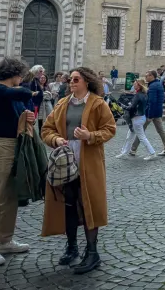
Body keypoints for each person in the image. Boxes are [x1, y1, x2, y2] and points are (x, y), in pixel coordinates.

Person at [41, 67, 117, 274]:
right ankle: (72, 246)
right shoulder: (62, 103)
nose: (71, 83)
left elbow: (110, 129)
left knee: (88, 204)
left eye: (76, 79)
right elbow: (46, 130)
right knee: (69, 204)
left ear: (86, 82)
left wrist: (90, 136)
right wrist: (56, 139)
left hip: (88, 162)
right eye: (70, 80)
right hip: (65, 162)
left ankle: (92, 252)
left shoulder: (98, 104)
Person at [0, 58, 35, 266]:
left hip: (15, 146)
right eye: (21, 75)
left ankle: (5, 240)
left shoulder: (13, 95)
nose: (22, 79)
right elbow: (22, 93)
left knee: (11, 197)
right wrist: (32, 90)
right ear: (14, 74)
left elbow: (18, 113)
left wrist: (27, 117)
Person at [130, 70, 165, 157]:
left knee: (140, 130)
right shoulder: (158, 84)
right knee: (161, 131)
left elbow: (152, 101)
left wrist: (149, 115)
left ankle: (133, 149)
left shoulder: (153, 86)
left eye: (147, 76)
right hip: (157, 111)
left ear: (152, 76)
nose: (145, 77)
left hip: (151, 112)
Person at [116, 79, 156, 160]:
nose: (133, 85)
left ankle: (152, 153)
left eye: (135, 84)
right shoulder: (144, 94)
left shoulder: (138, 95)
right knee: (129, 137)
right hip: (140, 117)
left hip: (137, 119)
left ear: (139, 85)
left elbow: (131, 107)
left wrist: (122, 106)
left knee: (141, 137)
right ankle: (124, 153)